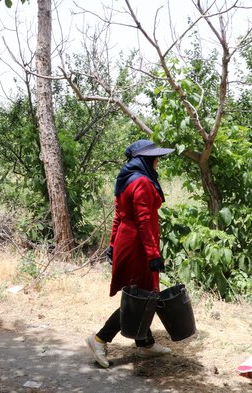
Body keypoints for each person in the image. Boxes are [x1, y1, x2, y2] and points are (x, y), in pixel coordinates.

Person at [86, 140, 174, 368]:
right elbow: (144, 222)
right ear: (146, 160)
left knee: (142, 295)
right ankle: (100, 339)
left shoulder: (126, 178)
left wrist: (113, 244)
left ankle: (144, 343)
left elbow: (119, 216)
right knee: (142, 298)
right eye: (155, 158)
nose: (157, 163)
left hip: (128, 241)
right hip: (138, 246)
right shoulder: (143, 182)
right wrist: (154, 254)